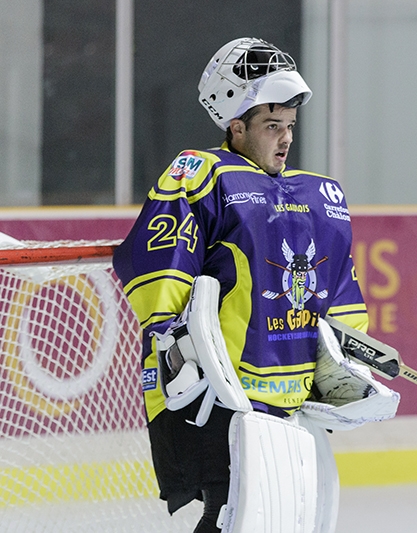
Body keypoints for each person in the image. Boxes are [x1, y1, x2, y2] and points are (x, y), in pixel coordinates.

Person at [113, 37, 395, 533]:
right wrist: (179, 351)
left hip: (286, 402)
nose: (285, 139)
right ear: (235, 126)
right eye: (271, 127)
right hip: (214, 398)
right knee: (231, 514)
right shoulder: (202, 175)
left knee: (277, 518)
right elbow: (157, 272)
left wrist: (347, 361)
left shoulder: (322, 195)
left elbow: (339, 303)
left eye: (289, 126)